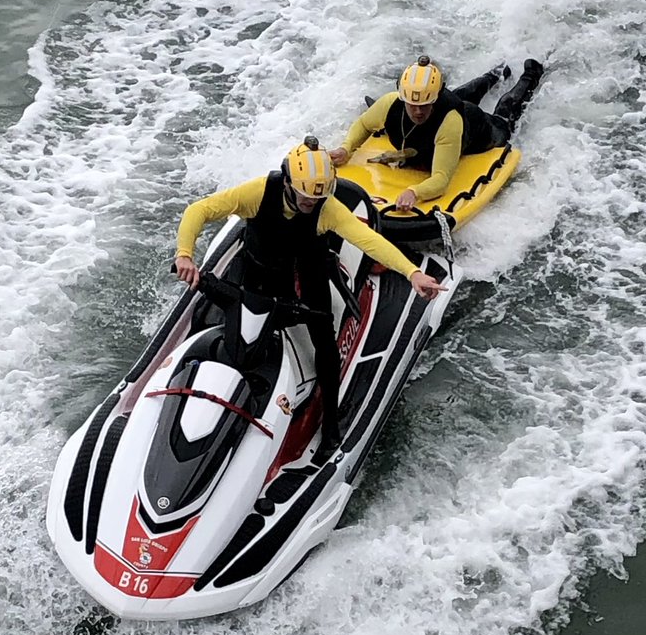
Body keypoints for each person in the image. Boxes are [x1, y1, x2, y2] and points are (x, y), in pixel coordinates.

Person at [174, 142, 447, 456]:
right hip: (258, 268)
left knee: (325, 343)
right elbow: (200, 210)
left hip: (307, 269)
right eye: (306, 195)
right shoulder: (258, 193)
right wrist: (185, 254)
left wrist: (412, 273)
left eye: (318, 196)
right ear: (289, 183)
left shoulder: (326, 207)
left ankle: (330, 418)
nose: (312, 202)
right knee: (208, 315)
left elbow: (369, 240)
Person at [329, 55, 544, 211]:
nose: (418, 111)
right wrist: (346, 148)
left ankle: (531, 74)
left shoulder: (449, 123)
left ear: (435, 98)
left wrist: (415, 192)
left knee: (504, 115)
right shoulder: (389, 104)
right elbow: (364, 125)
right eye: (412, 104)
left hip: (475, 128)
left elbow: (441, 178)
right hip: (446, 109)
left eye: (425, 104)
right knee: (463, 92)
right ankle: (497, 72)